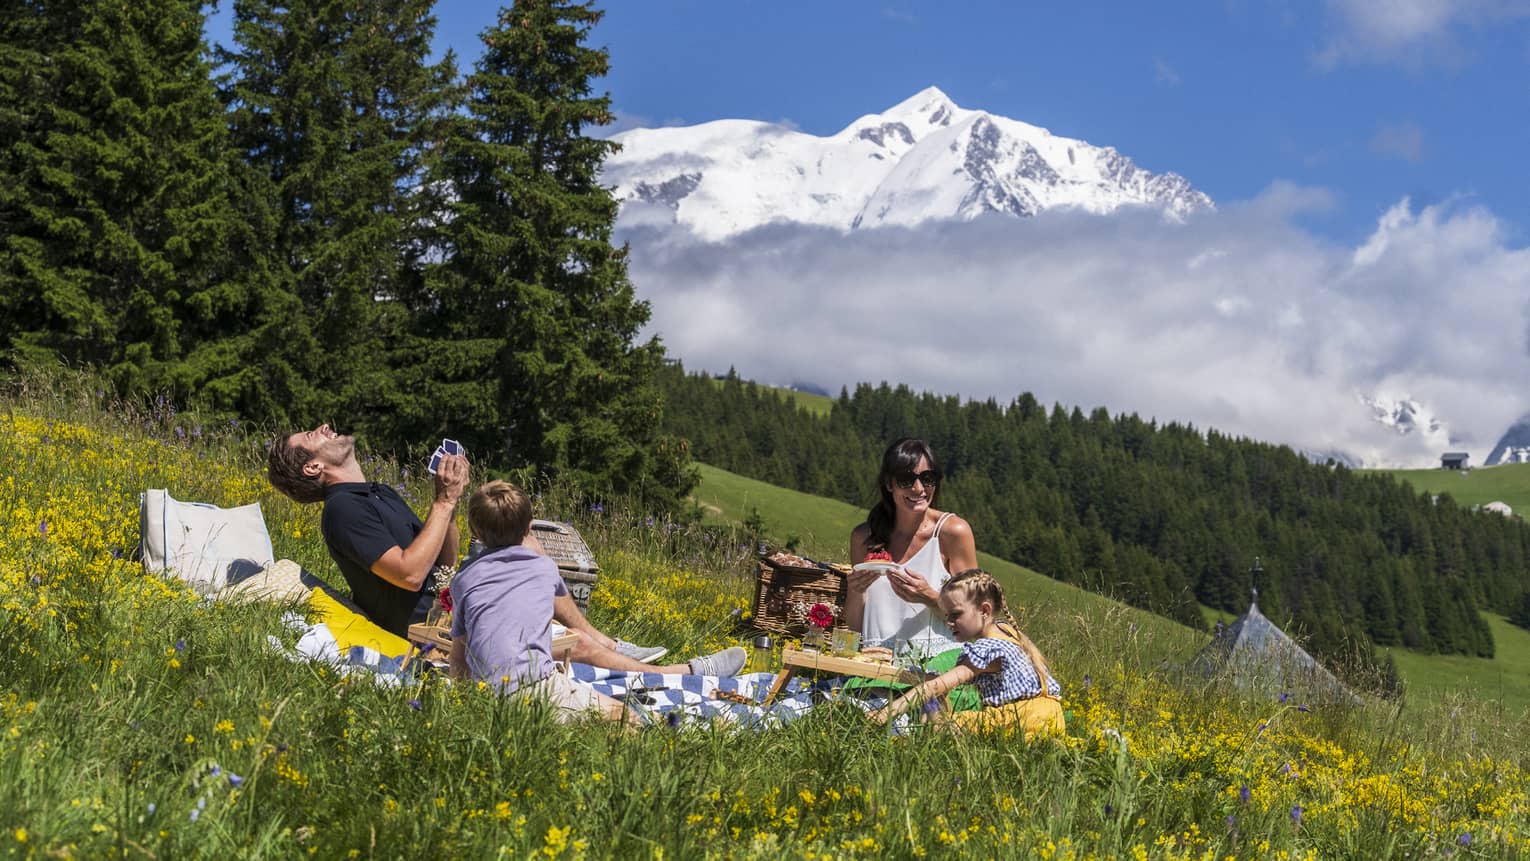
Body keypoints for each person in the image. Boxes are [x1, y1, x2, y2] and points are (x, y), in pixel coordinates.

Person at [266, 424, 745, 677]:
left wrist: (448, 501)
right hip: (426, 628)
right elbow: (411, 576)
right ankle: (680, 674)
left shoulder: (376, 493)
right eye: (313, 436)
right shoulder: (342, 512)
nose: (326, 428)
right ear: (312, 469)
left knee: (525, 544)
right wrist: (445, 501)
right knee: (560, 645)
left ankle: (606, 641)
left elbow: (442, 562)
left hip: (449, 596)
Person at [448, 480, 638, 723]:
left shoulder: (465, 579)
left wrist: (464, 704)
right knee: (625, 718)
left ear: (475, 533)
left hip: (486, 696)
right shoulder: (545, 568)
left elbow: (458, 656)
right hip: (538, 688)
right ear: (529, 528)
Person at [871, 569, 1063, 734]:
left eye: (956, 615)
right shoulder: (1005, 630)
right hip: (1049, 717)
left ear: (985, 611)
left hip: (1023, 721)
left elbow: (934, 687)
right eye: (947, 616)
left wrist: (884, 714)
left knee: (931, 725)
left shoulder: (987, 649)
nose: (949, 622)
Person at [845, 438, 978, 656]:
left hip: (937, 668)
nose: (918, 489)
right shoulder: (864, 538)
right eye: (906, 480)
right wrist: (855, 591)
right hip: (875, 664)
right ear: (889, 484)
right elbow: (854, 627)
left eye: (927, 478)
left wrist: (930, 597)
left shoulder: (952, 532)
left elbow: (973, 619)